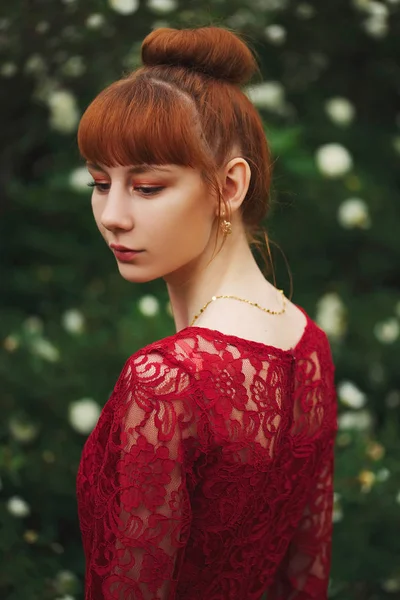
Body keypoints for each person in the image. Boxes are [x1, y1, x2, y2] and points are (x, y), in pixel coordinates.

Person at [76, 25, 338, 600]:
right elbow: (306, 578)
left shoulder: (166, 379)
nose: (112, 215)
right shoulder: (308, 343)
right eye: (100, 182)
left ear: (229, 184)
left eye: (146, 187)